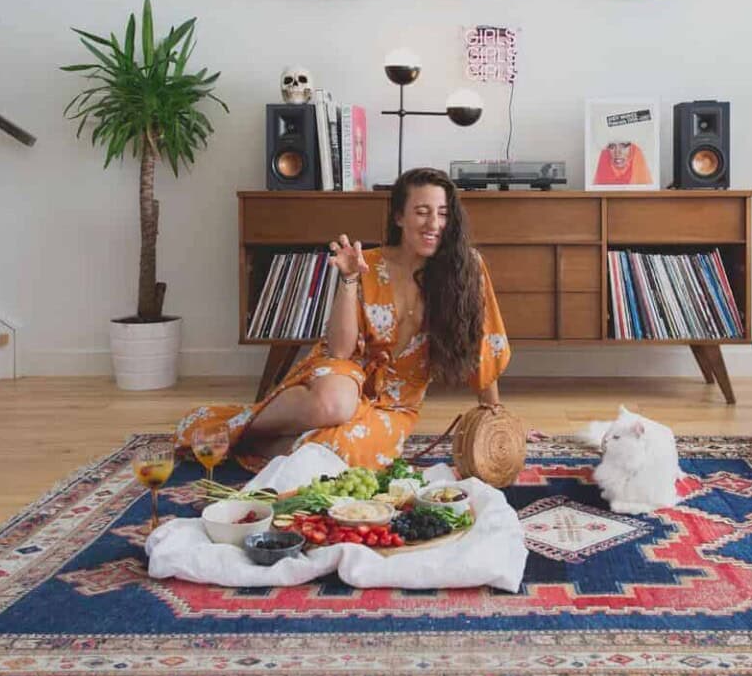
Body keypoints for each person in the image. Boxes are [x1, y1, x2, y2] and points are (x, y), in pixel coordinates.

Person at [175, 167, 510, 470]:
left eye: (443, 213)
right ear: (398, 216)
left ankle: (255, 443)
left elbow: (483, 344)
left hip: (394, 405)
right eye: (421, 212)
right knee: (334, 405)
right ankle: (234, 427)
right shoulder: (365, 262)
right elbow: (339, 349)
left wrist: (496, 418)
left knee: (334, 452)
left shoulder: (466, 269)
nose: (433, 224)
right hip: (344, 371)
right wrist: (349, 280)